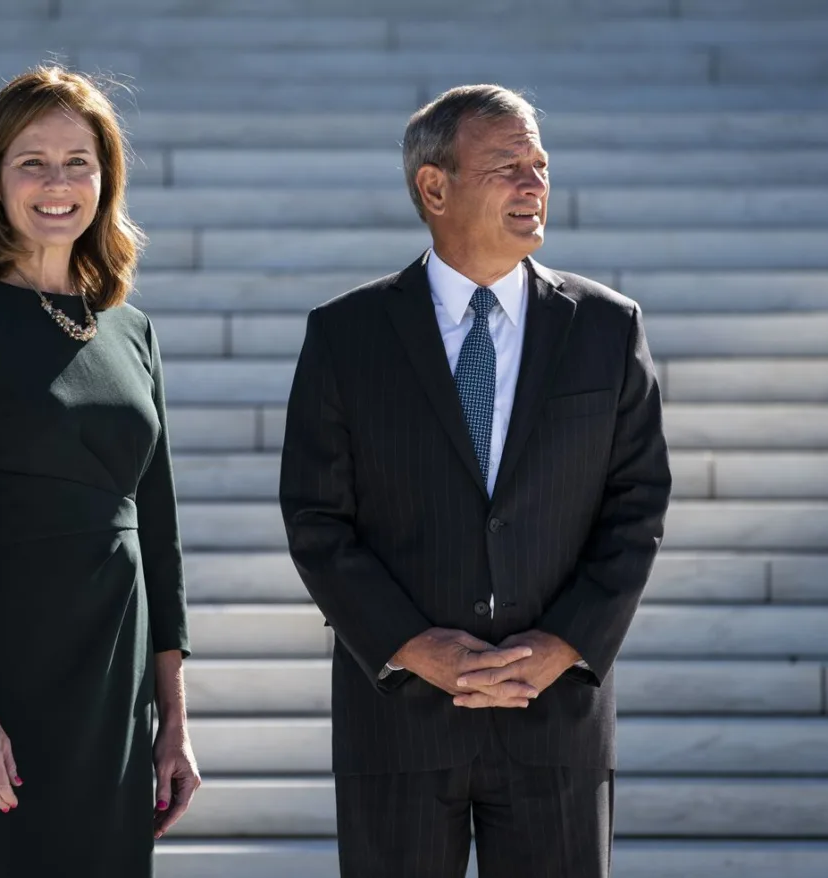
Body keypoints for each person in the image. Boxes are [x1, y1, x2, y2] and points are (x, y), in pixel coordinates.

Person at [279, 84, 671, 878]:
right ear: (434, 186)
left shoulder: (607, 327)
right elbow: (318, 518)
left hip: (555, 717)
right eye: (507, 167)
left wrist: (564, 644)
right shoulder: (346, 335)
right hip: (400, 720)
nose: (535, 186)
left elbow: (637, 506)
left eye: (541, 166)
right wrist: (413, 647)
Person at [0, 66, 199, 878]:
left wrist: (174, 720)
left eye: (78, 161)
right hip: (4, 672)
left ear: (106, 177)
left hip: (115, 674)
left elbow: (159, 533)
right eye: (31, 160)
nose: (57, 183)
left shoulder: (132, 330)